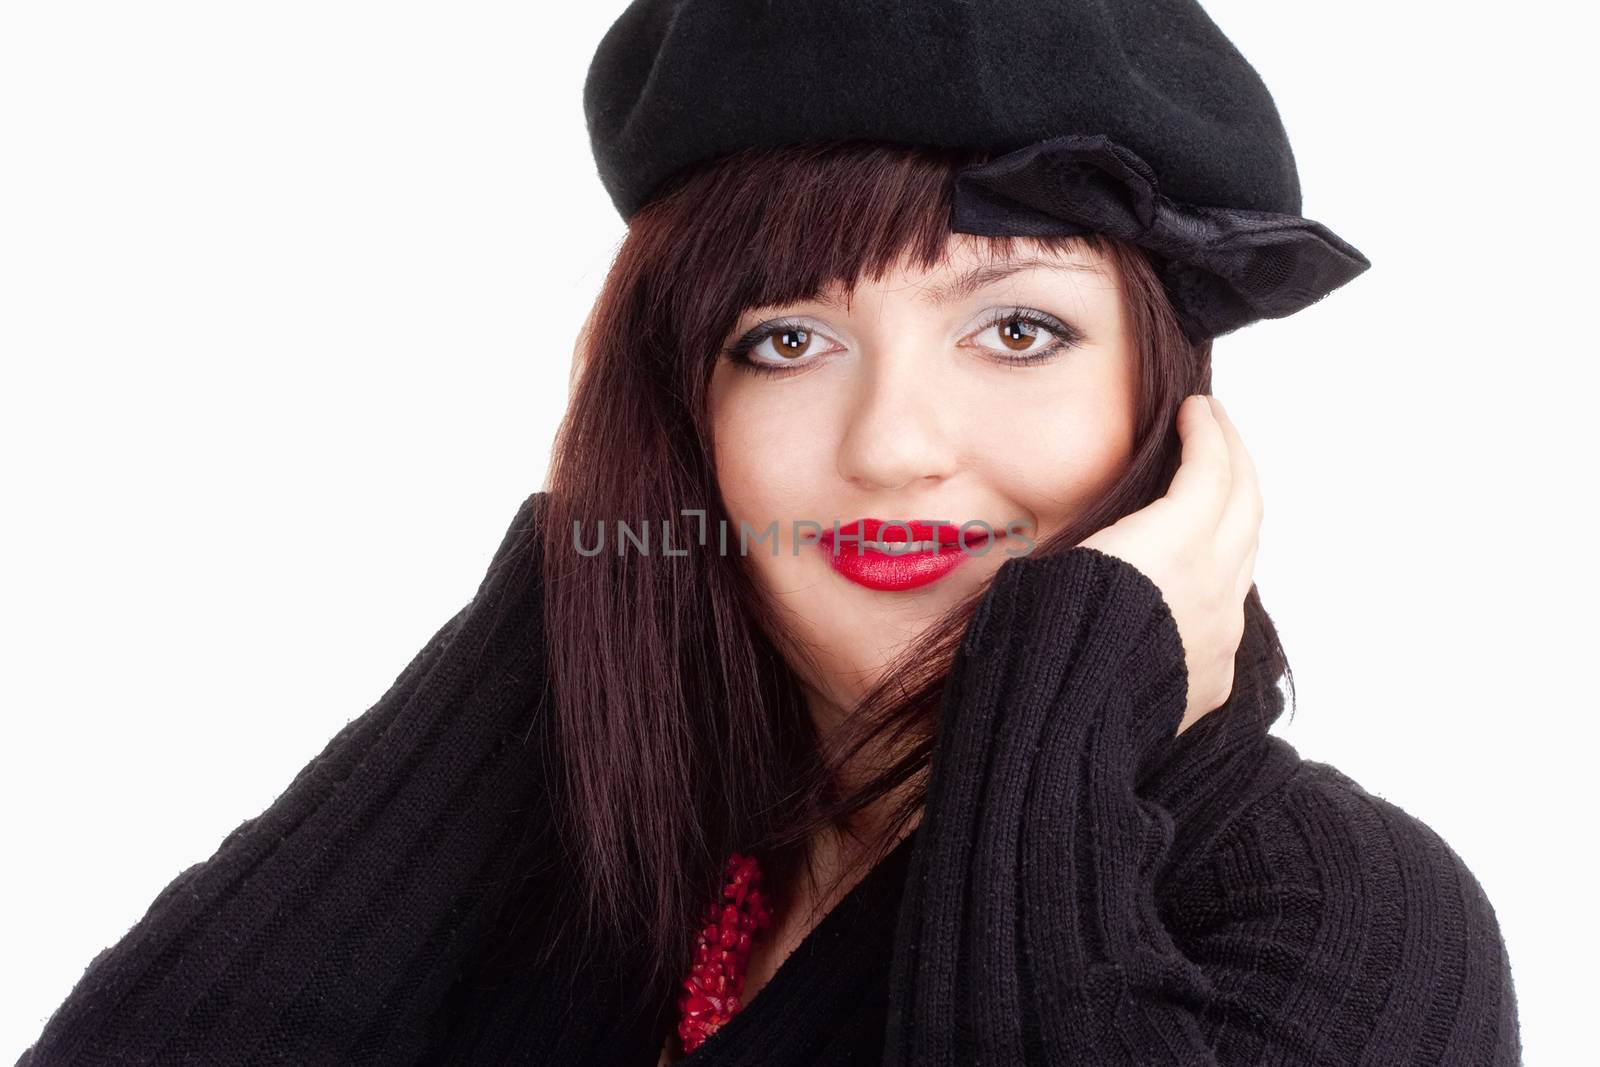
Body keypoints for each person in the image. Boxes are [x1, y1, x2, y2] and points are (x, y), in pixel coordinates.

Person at [17, 2, 1522, 1065]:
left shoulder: (1338, 914)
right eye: (787, 343)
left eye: (1017, 326)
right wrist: (581, 598)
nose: (891, 448)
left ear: (1171, 405)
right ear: (685, 411)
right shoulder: (601, 848)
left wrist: (1059, 700)